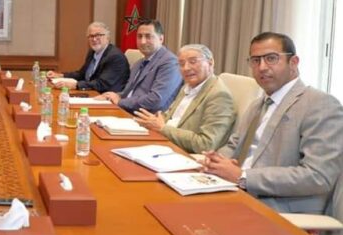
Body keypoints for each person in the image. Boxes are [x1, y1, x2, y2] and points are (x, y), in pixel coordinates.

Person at [203, 32, 343, 214]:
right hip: (235, 191)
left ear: (293, 62)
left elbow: (318, 176)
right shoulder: (257, 104)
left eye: (271, 58)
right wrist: (215, 161)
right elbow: (234, 145)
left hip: (277, 207)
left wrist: (243, 177)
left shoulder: (320, 104)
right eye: (256, 60)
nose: (262, 67)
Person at [133, 44, 236, 153]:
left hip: (183, 153)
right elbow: (169, 117)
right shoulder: (187, 87)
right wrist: (151, 121)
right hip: (163, 143)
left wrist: (162, 128)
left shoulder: (219, 95)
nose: (186, 68)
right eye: (181, 64)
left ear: (210, 63)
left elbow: (206, 144)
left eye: (193, 62)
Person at [100, 19, 181, 113]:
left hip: (146, 117)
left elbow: (156, 100)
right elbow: (129, 92)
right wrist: (113, 96)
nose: (142, 41)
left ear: (161, 39)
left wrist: (120, 102)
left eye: (148, 36)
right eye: (139, 36)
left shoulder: (170, 63)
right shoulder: (139, 63)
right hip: (126, 111)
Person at [47, 22, 129, 92]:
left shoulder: (115, 57)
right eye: (91, 36)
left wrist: (75, 85)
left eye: (98, 35)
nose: (94, 39)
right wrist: (60, 75)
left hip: (107, 97)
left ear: (107, 37)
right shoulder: (92, 52)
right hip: (92, 93)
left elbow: (102, 84)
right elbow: (81, 74)